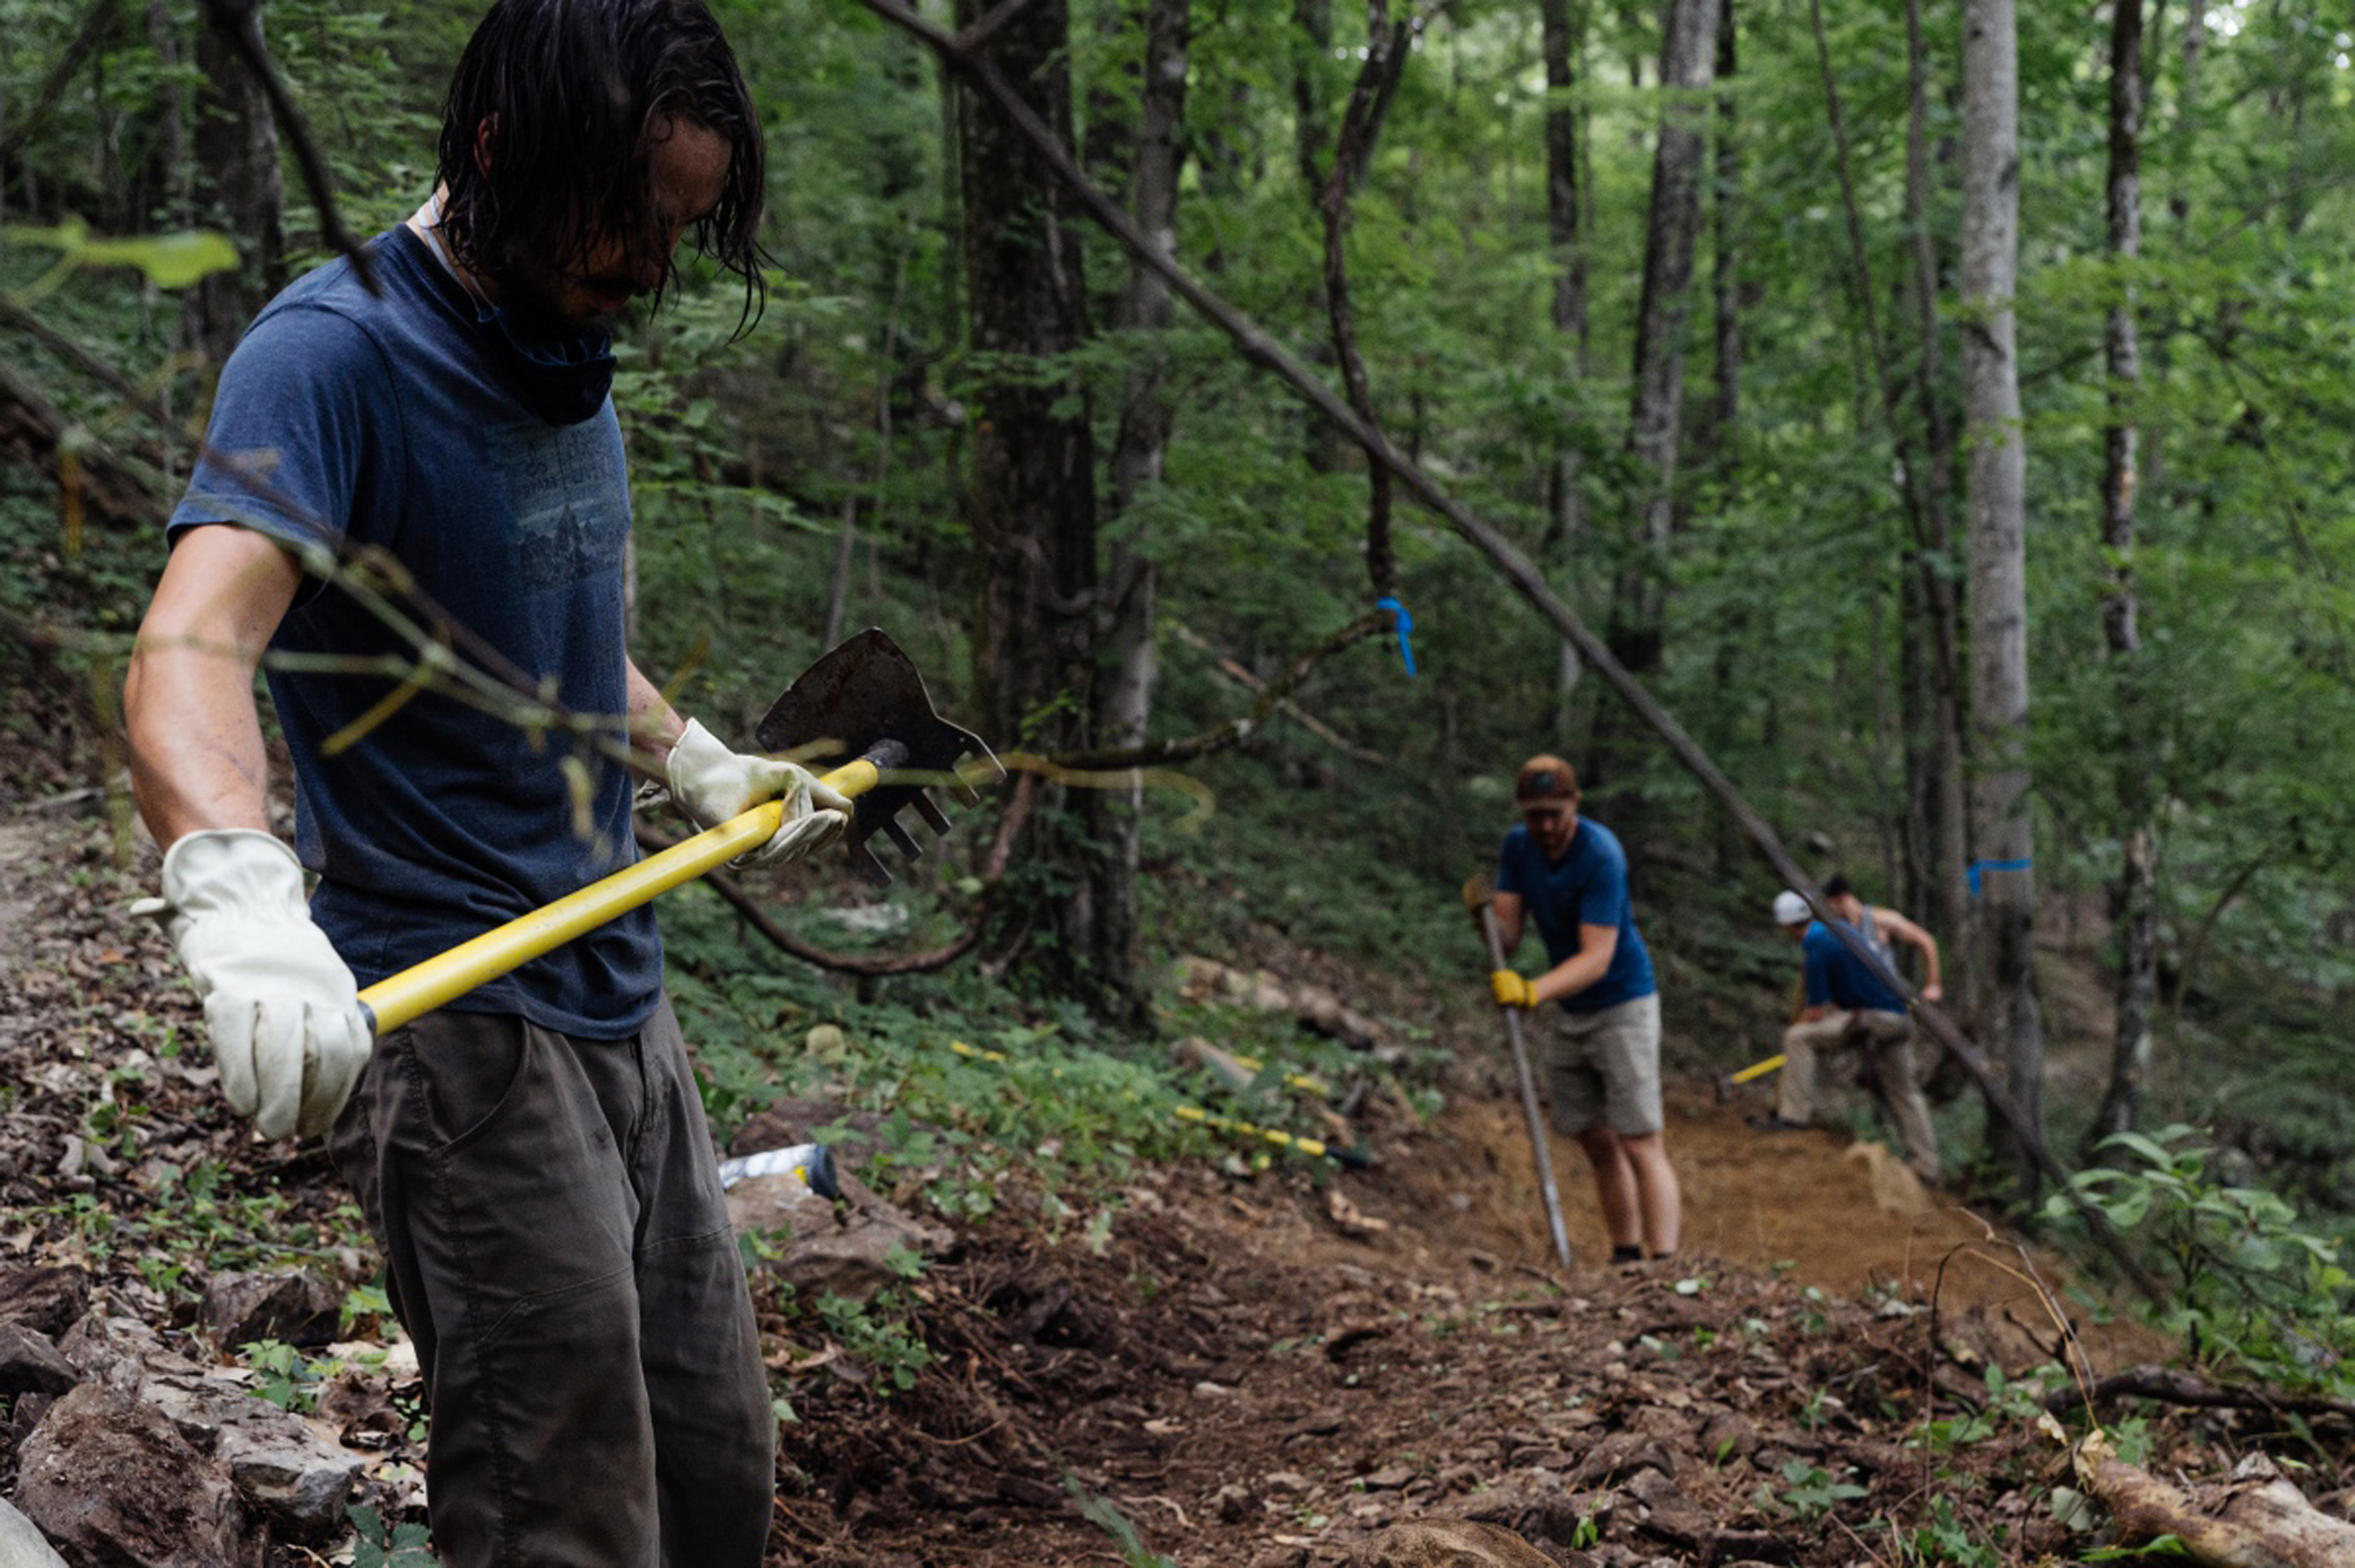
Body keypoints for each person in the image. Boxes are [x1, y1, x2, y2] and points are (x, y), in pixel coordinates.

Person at [121, 4, 842, 1563]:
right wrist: (238, 901)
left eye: (678, 232)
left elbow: (550, 633)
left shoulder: (563, 345)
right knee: (558, 1507)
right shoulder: (333, 357)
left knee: (718, 1472)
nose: (647, 274)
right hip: (472, 1031)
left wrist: (694, 756)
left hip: (624, 992)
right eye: (627, 223)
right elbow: (190, 641)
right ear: (502, 153)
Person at [1486, 754, 1682, 1264]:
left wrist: (1531, 992)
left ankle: (1666, 1268)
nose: (1546, 826)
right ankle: (1626, 1255)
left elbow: (1598, 958)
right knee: (1596, 1141)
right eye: (1535, 814)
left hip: (1622, 1006)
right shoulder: (1517, 847)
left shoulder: (1601, 855)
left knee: (1640, 1141)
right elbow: (1505, 938)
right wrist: (1485, 921)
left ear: (1575, 803)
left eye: (1555, 812)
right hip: (1571, 1010)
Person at [1762, 886, 1941, 1183]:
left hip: (1872, 1019)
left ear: (1786, 926)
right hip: (1899, 1017)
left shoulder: (1817, 949)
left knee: (1800, 1039)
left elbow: (1815, 1013)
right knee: (1905, 1091)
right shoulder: (1841, 930)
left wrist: (1807, 1023)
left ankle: (1794, 1116)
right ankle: (1927, 1164)